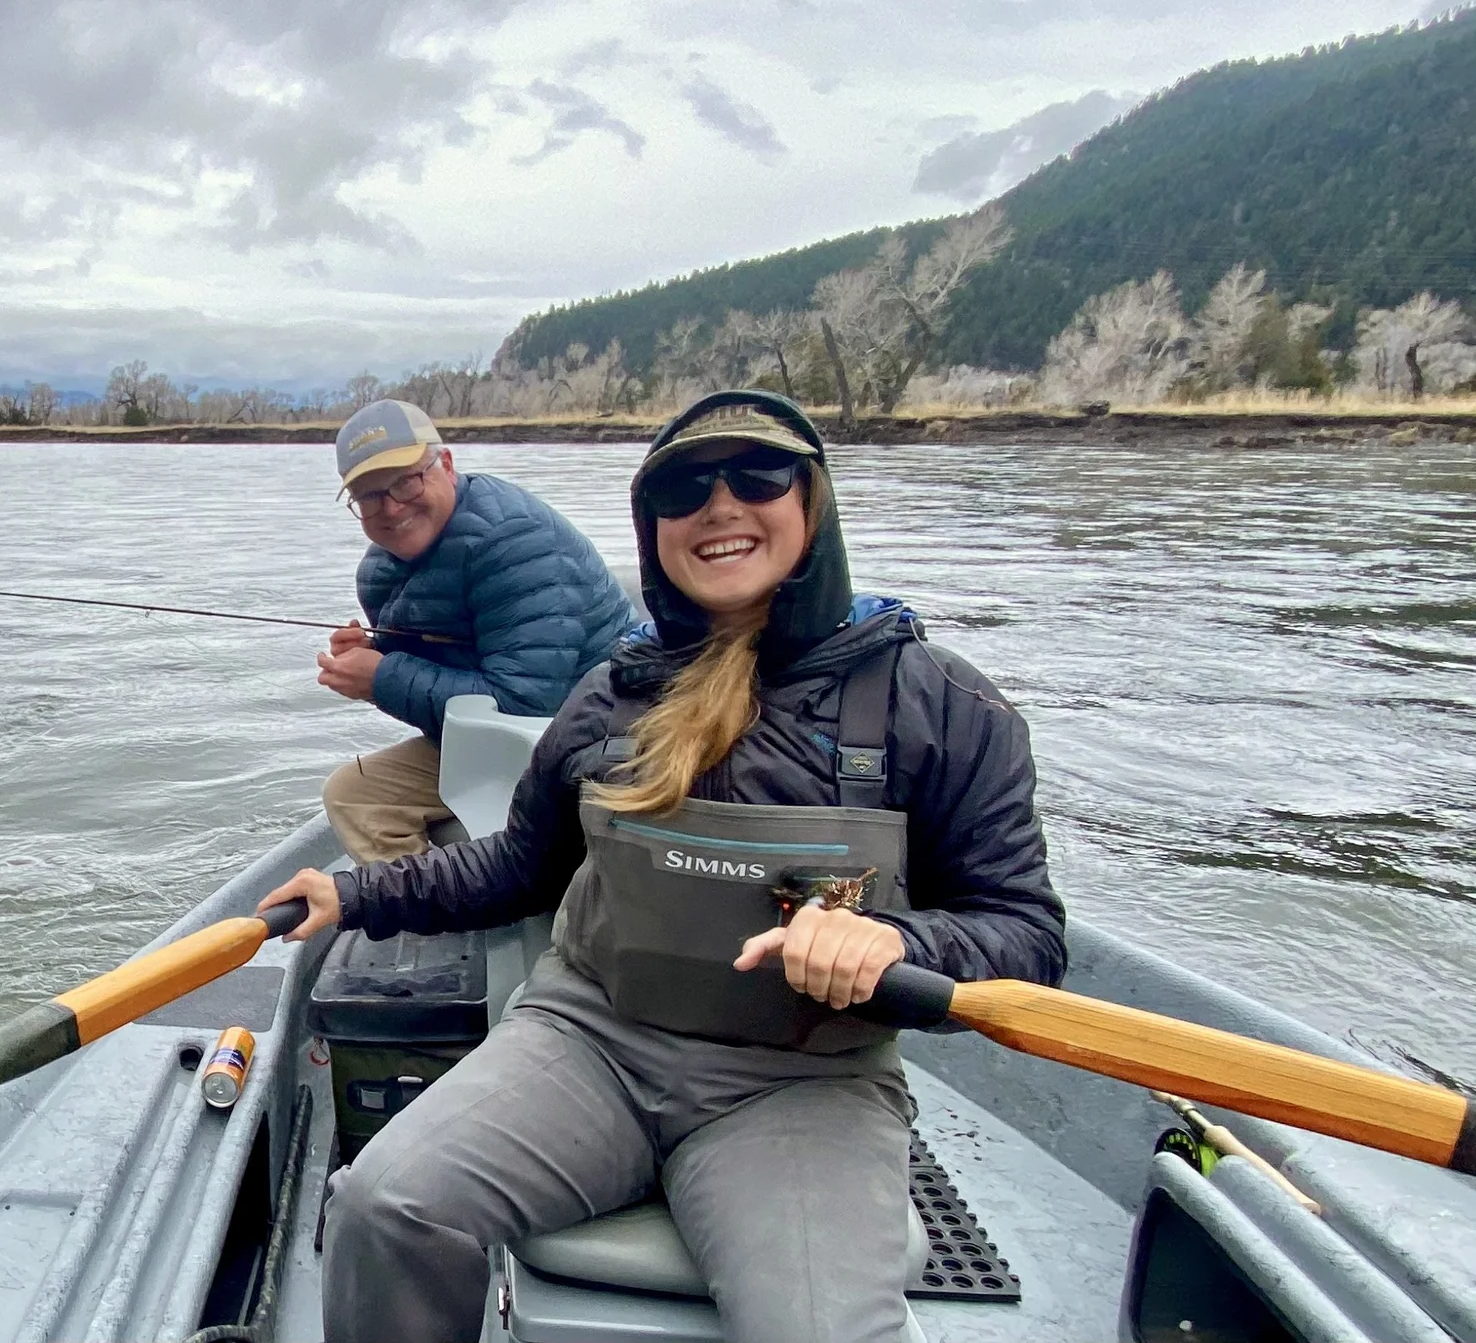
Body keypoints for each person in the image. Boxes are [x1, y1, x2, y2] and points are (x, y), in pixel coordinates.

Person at [264, 390, 1066, 1343]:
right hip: (589, 1041)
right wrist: (351, 893)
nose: (721, 505)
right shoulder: (610, 696)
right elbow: (521, 867)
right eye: (685, 488)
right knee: (381, 1206)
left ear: (813, 503)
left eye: (758, 476)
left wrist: (898, 938)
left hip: (797, 1084)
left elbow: (1026, 936)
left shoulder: (939, 703)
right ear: (655, 531)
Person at [317, 397, 636, 864]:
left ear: (445, 464)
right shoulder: (386, 566)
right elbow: (456, 665)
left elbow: (526, 702)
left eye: (404, 482)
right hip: (515, 735)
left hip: (589, 736)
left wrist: (383, 676)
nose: (390, 508)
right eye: (369, 495)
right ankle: (420, 913)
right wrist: (373, 654)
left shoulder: (515, 540)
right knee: (354, 793)